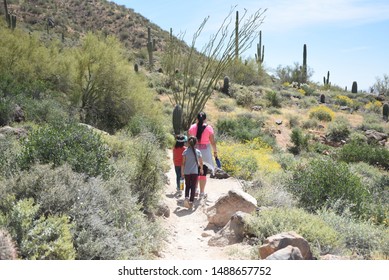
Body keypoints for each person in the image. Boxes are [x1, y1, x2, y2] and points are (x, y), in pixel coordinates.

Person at [188, 112, 217, 199]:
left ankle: (195, 190)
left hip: (194, 152)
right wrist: (215, 152)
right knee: (203, 173)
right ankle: (202, 193)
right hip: (205, 154)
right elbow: (212, 142)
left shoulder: (192, 127)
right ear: (205, 119)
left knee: (195, 172)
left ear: (196, 119)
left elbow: (190, 142)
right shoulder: (209, 128)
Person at [181, 136, 203, 209]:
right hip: (195, 172)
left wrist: (182, 172)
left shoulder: (185, 152)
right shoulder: (198, 152)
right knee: (193, 186)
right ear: (196, 143)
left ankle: (186, 198)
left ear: (188, 143)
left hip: (187, 172)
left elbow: (183, 163)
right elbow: (201, 162)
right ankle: (191, 201)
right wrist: (201, 169)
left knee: (187, 185)